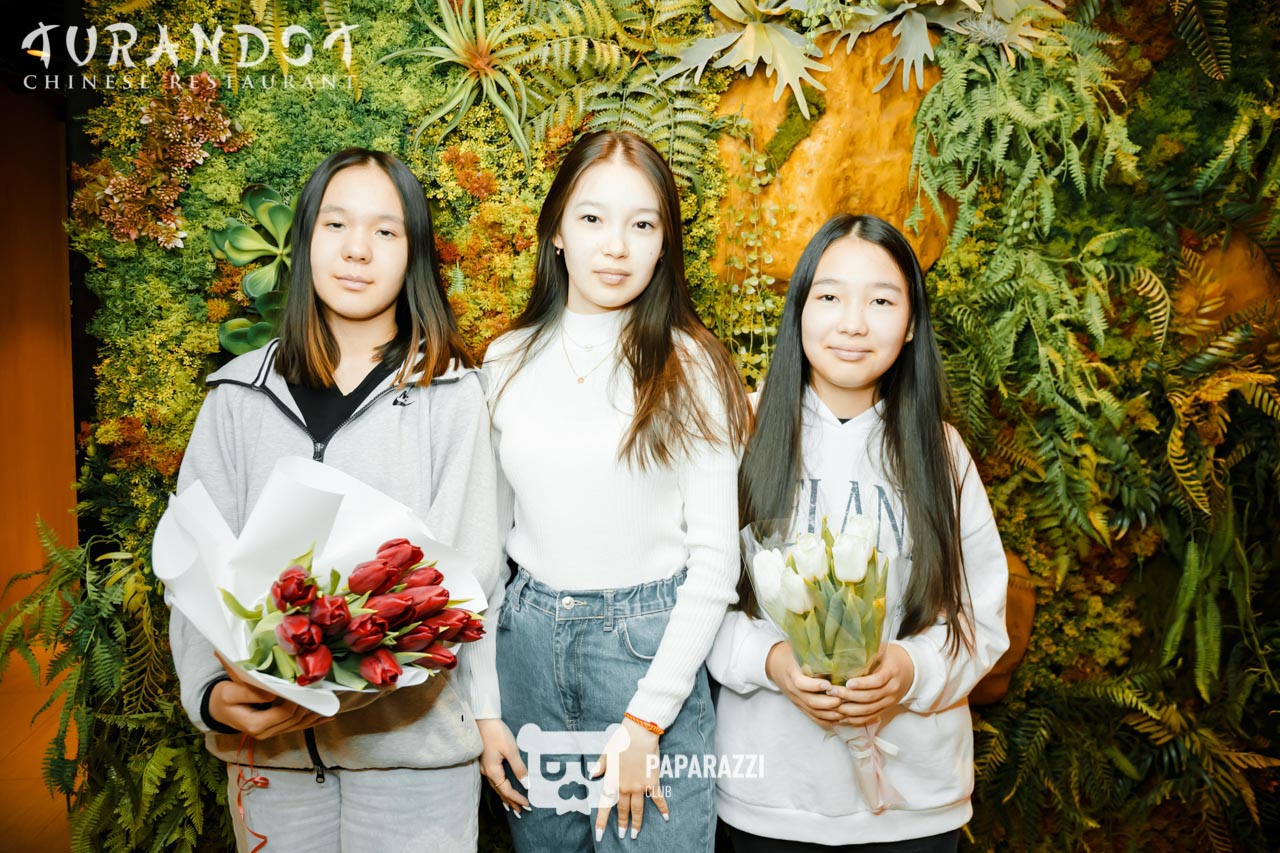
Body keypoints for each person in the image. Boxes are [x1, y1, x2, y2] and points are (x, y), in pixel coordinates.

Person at [166, 148, 501, 852]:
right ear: (306, 238)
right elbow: (193, 563)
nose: (357, 250)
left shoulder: (451, 395)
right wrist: (213, 696)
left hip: (413, 763)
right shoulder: (237, 397)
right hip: (270, 762)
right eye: (336, 224)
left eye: (385, 230)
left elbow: (469, 574)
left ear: (413, 252)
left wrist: (330, 682)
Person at [476, 130, 750, 852]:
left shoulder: (692, 366)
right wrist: (485, 708)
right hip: (527, 655)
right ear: (557, 231)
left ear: (664, 245)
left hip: (648, 658)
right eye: (593, 218)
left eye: (643, 224)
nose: (616, 247)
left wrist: (646, 720)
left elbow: (715, 562)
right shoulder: (505, 360)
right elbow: (483, 555)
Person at [706, 214, 1009, 852]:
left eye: (881, 301)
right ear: (798, 310)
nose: (853, 323)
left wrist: (909, 668)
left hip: (915, 806)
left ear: (911, 325)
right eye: (829, 296)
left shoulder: (941, 454)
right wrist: (772, 661)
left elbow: (981, 619)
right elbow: (691, 601)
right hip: (771, 796)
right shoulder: (739, 434)